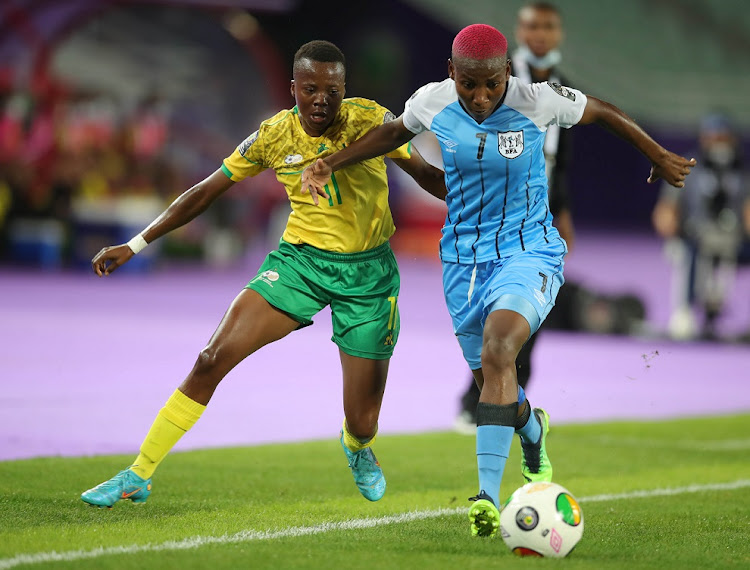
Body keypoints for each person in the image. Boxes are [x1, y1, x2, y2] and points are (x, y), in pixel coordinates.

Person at [301, 24, 695, 537]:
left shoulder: (537, 101)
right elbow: (393, 133)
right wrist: (330, 162)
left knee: (500, 348)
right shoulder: (432, 102)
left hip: (529, 251)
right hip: (463, 263)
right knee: (494, 380)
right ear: (451, 74)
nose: (481, 96)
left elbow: (600, 110)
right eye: (469, 84)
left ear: (507, 72)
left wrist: (656, 154)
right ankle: (533, 430)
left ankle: (487, 495)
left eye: (491, 83)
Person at [80, 40, 446, 508]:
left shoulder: (370, 121)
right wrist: (136, 243)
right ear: (293, 88)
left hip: (368, 278)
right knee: (211, 358)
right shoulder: (273, 136)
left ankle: (357, 448)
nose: (320, 99)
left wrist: (479, 196)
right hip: (299, 265)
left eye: (331, 90)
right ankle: (138, 472)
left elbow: (427, 176)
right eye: (310, 89)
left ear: (344, 89)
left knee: (363, 420)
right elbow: (205, 191)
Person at [454, 1, 573, 434]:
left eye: (548, 26)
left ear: (558, 34)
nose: (540, 34)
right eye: (532, 26)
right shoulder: (497, 82)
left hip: (537, 220)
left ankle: (507, 405)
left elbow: (561, 161)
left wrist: (564, 213)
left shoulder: (565, 88)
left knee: (527, 311)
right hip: (488, 218)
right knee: (482, 315)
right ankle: (479, 400)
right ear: (520, 34)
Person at [652, 111, 749, 340]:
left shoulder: (742, 174)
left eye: (723, 138)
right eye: (713, 138)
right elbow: (665, 210)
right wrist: (671, 225)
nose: (719, 144)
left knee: (727, 259)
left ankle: (716, 309)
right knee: (688, 255)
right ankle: (684, 311)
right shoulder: (687, 168)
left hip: (731, 238)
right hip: (694, 237)